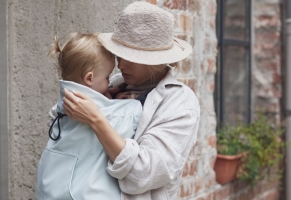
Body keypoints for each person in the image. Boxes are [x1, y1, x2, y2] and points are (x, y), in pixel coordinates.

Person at [62, 2, 200, 199]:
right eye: (119, 53)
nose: (121, 63)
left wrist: (96, 118)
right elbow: (61, 125)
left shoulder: (180, 103)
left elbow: (141, 175)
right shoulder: (114, 83)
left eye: (131, 57)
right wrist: (103, 101)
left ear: (157, 60)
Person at [35, 33, 142, 200]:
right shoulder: (122, 112)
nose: (110, 82)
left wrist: (107, 99)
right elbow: (125, 122)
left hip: (49, 188)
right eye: (107, 77)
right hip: (85, 194)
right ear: (89, 78)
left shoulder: (61, 107)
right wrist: (127, 103)